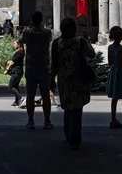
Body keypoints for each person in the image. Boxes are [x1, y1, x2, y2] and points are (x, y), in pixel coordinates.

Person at [51, 17, 93, 150]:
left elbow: (54, 64)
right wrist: (87, 41)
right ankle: (74, 138)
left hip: (64, 80)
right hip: (78, 79)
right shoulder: (80, 41)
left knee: (67, 108)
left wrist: (51, 79)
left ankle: (68, 134)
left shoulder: (56, 43)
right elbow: (91, 54)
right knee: (77, 109)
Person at [22, 11, 55, 130]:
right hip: (44, 65)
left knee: (30, 95)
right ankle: (47, 121)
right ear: (42, 20)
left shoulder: (27, 33)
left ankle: (31, 121)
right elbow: (50, 40)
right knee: (45, 95)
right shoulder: (47, 33)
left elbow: (23, 41)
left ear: (32, 20)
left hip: (31, 65)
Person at [6, 38, 25, 107]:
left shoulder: (19, 53)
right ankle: (17, 101)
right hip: (19, 71)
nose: (13, 45)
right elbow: (13, 61)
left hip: (17, 72)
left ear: (19, 44)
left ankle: (21, 99)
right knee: (16, 86)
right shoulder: (20, 52)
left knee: (10, 87)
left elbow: (12, 62)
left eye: (14, 43)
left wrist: (7, 70)